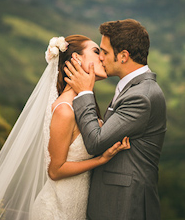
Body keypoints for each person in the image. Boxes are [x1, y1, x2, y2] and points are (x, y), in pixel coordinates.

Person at [0, 35, 129, 220]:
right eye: (96, 51)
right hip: (56, 212)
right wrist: (101, 160)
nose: (102, 57)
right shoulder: (65, 110)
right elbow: (55, 171)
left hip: (76, 210)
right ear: (76, 58)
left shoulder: (84, 105)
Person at [65, 19, 167, 220]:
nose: (100, 58)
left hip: (125, 205)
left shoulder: (141, 96)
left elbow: (95, 142)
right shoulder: (132, 87)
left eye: (104, 51)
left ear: (123, 56)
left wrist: (85, 92)